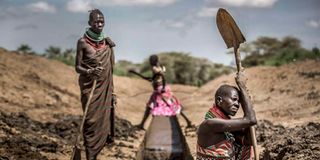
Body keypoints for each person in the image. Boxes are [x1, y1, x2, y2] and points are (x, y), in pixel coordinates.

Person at [75, 9, 116, 160]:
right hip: (90, 88)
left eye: (102, 21)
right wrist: (90, 71)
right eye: (96, 21)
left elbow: (110, 71)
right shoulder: (82, 42)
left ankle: (93, 156)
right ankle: (89, 155)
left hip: (104, 89)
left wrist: (112, 91)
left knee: (102, 122)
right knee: (91, 121)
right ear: (89, 23)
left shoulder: (107, 43)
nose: (99, 24)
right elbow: (77, 67)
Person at [135, 55, 193, 160]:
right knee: (174, 105)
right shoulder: (160, 66)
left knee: (151, 106)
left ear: (152, 61)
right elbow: (159, 76)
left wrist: (156, 82)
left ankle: (142, 124)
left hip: (160, 90)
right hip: (163, 88)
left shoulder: (155, 68)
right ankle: (188, 121)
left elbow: (160, 77)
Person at [197, 74, 256, 160]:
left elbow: (248, 140)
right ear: (219, 100)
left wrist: (247, 102)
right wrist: (242, 87)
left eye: (239, 102)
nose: (237, 104)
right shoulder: (210, 124)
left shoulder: (226, 128)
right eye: (234, 99)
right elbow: (251, 120)